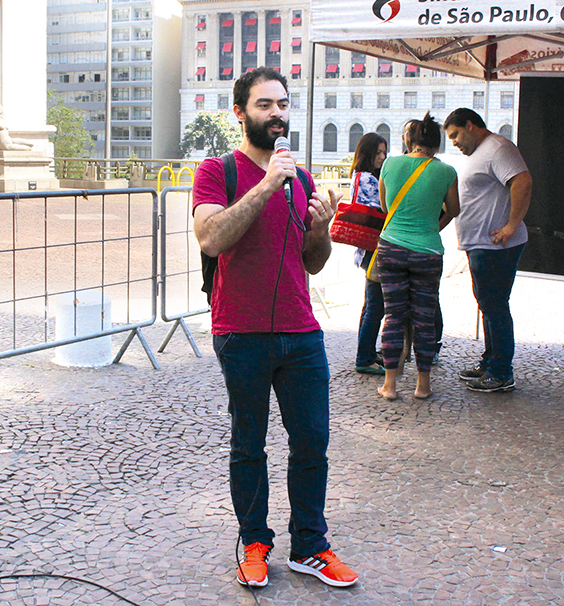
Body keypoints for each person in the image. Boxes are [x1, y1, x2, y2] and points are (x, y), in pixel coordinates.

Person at [192, 66, 358, 589]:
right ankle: (255, 542)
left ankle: (310, 545)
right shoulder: (217, 171)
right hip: (239, 331)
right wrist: (268, 182)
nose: (277, 114)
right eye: (265, 105)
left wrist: (321, 229)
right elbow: (211, 238)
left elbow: (313, 263)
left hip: (301, 330)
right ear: (240, 112)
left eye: (283, 104)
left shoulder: (302, 178)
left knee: (312, 441)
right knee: (249, 443)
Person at [444, 108, 531, 393]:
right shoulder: (483, 152)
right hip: (482, 245)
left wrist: (511, 225)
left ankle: (501, 372)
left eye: (456, 134)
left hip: (495, 245)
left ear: (470, 125)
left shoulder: (497, 148)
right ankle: (491, 362)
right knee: (489, 304)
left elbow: (523, 181)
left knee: (495, 306)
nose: (454, 142)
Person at [375, 113, 460, 400]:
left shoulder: (390, 164)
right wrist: (434, 226)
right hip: (428, 252)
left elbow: (387, 206)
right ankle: (423, 386)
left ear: (410, 141)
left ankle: (389, 385)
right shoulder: (446, 172)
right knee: (424, 317)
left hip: (392, 247)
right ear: (437, 144)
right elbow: (454, 209)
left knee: (393, 315)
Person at [350, 132, 388, 375]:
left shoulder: (361, 175)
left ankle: (368, 352)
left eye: (385, 152)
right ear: (368, 154)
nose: (383, 157)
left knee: (372, 304)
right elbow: (383, 208)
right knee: (376, 306)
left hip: (367, 249)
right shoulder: (366, 178)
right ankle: (364, 357)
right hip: (373, 249)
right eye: (378, 153)